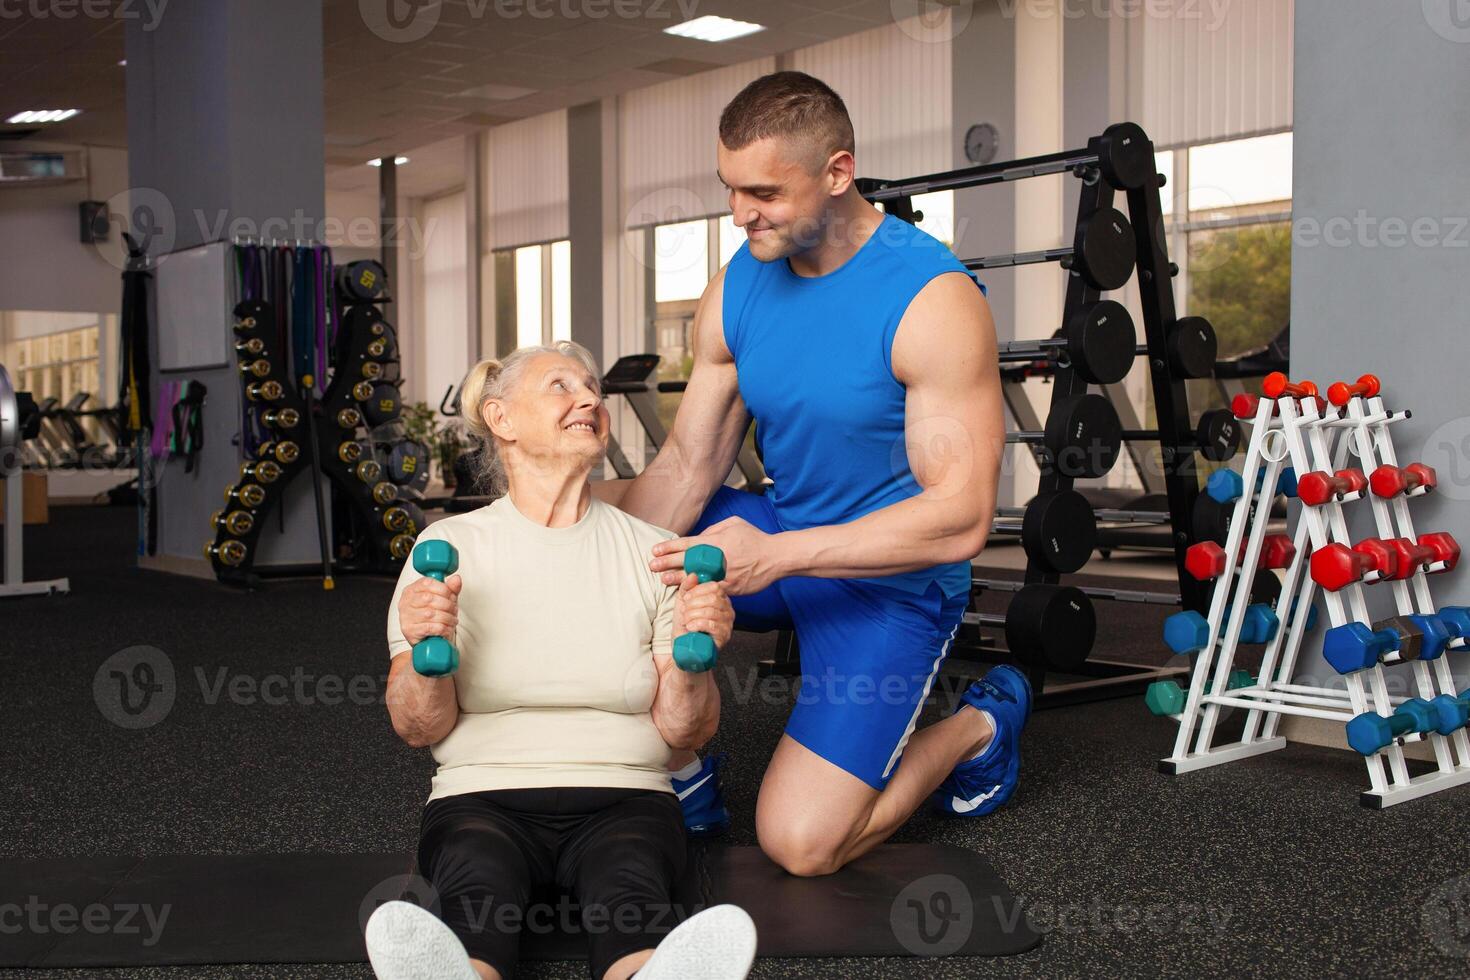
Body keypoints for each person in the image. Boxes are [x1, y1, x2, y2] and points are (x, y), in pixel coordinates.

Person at [599, 71, 1031, 878]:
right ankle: (680, 765)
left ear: (838, 173)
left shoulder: (930, 299)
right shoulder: (740, 285)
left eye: (763, 191)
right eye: (729, 189)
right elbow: (689, 466)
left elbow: (962, 515)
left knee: (802, 846)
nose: (740, 214)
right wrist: (554, 532)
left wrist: (782, 555)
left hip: (892, 581)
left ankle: (982, 725)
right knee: (614, 542)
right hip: (780, 537)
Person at [366, 341, 757, 980]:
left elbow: (687, 732)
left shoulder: (656, 552)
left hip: (627, 793)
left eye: (593, 389)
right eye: (560, 385)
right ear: (502, 420)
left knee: (630, 892)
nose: (589, 399)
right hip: (480, 793)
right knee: (477, 892)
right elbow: (418, 728)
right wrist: (422, 661)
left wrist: (697, 660)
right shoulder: (449, 548)